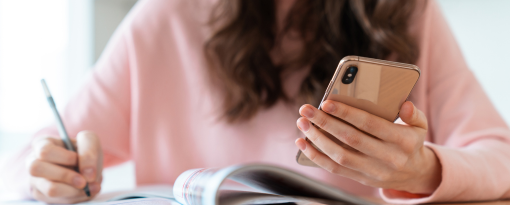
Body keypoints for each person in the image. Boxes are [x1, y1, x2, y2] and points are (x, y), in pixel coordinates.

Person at [2, 0, 510, 204]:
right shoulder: (165, 17)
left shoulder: (403, 13)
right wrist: (52, 170)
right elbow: (30, 163)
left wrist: (420, 172)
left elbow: (500, 157)